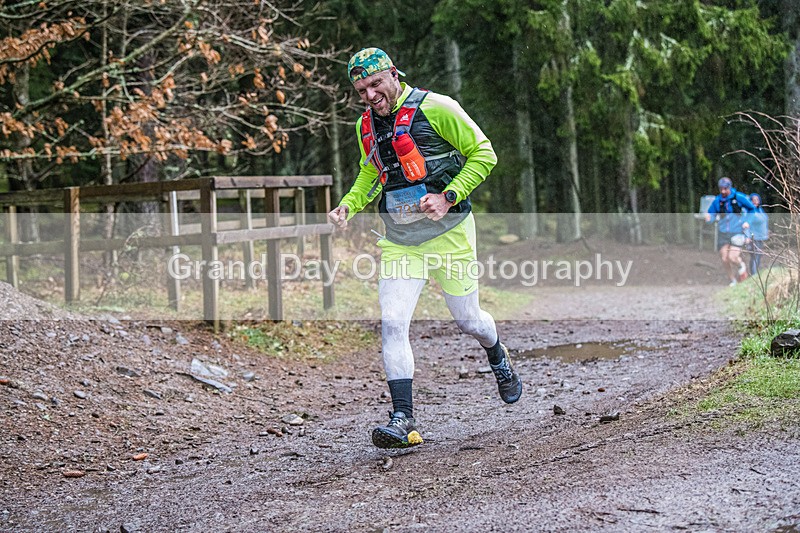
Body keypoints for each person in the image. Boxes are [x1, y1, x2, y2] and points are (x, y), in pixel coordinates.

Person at [327, 47, 522, 449]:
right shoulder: (366, 125)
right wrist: (349, 204)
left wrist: (449, 195)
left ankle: (497, 353)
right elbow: (372, 171)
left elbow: (485, 154)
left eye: (375, 84)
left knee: (469, 321)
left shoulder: (438, 107)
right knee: (393, 321)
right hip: (401, 242)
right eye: (361, 89)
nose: (370, 95)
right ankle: (403, 419)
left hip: (450, 233)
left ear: (394, 75)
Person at [705, 177, 755, 286]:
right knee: (724, 258)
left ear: (730, 187)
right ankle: (733, 280)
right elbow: (711, 214)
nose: (723, 191)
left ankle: (741, 266)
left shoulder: (739, 197)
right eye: (721, 189)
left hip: (737, 231)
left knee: (733, 257)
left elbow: (752, 209)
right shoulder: (717, 201)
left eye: (725, 189)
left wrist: (747, 222)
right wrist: (709, 219)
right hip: (723, 233)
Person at [745, 192, 768, 275]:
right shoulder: (749, 212)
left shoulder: (760, 210)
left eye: (757, 200)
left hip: (761, 237)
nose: (755, 201)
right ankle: (754, 275)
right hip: (753, 238)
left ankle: (755, 273)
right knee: (754, 257)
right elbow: (746, 224)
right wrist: (747, 237)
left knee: (759, 256)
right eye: (753, 200)